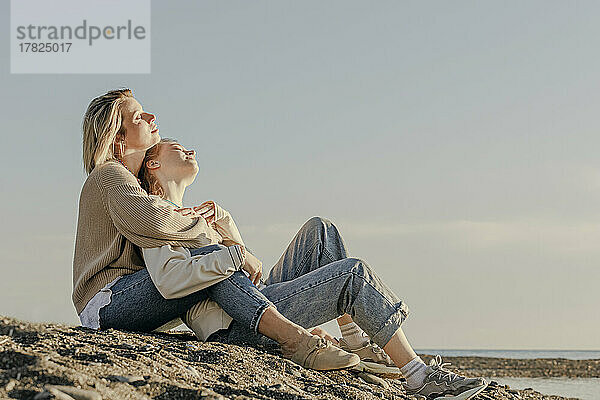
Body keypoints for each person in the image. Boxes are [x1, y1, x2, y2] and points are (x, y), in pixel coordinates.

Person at [137, 137, 490, 400]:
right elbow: (173, 280)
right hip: (235, 324)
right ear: (153, 165)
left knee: (319, 230)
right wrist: (226, 253)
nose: (191, 151)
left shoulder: (198, 216)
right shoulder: (153, 215)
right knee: (352, 274)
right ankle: (418, 376)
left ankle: (359, 341)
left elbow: (249, 273)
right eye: (177, 147)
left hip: (255, 299)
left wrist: (225, 228)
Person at [73, 88, 360, 371]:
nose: (150, 116)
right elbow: (155, 222)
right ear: (118, 138)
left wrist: (226, 234)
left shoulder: (136, 185)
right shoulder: (110, 174)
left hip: (132, 296)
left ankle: (324, 336)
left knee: (219, 260)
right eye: (137, 117)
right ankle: (295, 339)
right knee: (213, 260)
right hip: (109, 302)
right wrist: (206, 229)